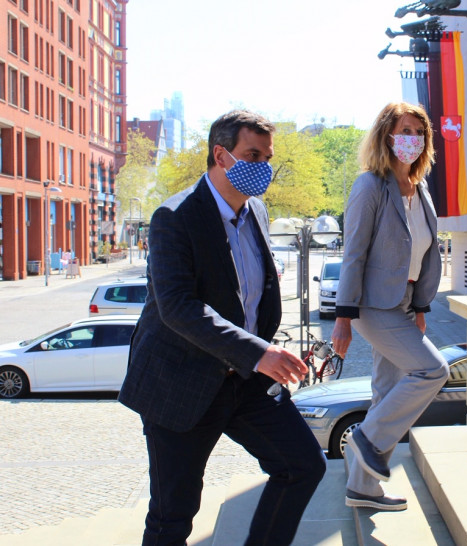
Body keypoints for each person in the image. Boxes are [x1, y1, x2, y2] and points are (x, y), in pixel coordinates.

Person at [118, 110, 326, 545]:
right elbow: (178, 307)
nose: (263, 167)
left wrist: (261, 351)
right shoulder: (174, 217)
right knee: (173, 516)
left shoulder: (258, 212)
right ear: (221, 154)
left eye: (268, 157)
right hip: (182, 383)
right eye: (253, 155)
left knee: (303, 465)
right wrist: (258, 352)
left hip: (246, 381)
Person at [331, 102, 449, 512]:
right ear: (386, 135)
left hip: (403, 302)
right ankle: (368, 438)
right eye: (404, 130)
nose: (411, 139)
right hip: (371, 305)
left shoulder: (421, 189)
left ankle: (363, 489)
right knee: (433, 370)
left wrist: (420, 307)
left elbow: (423, 253)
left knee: (385, 389)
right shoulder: (370, 186)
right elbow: (354, 254)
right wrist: (343, 318)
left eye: (419, 132)